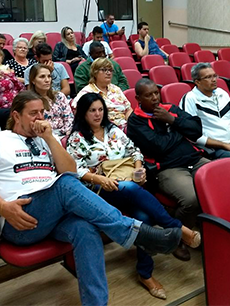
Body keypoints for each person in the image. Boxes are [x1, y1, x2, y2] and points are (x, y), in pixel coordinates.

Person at [0, 90, 181, 306]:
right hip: (21, 218)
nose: (39, 118)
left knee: (85, 229)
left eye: (42, 112)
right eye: (33, 113)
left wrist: (49, 138)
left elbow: (69, 170)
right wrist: (3, 208)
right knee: (66, 184)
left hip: (55, 216)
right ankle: (134, 233)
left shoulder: (46, 141)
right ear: (16, 115)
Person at [67, 93, 200, 300]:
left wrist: (139, 169)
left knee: (143, 218)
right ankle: (178, 228)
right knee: (129, 188)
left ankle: (145, 274)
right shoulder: (76, 138)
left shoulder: (113, 131)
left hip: (125, 183)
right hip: (98, 191)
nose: (97, 114)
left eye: (100, 109)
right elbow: (75, 170)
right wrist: (101, 180)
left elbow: (134, 151)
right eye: (92, 110)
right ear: (83, 113)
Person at [127, 78, 209, 261]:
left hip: (194, 159)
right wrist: (179, 129)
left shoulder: (170, 109)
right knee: (191, 199)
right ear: (138, 98)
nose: (155, 98)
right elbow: (159, 147)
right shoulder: (135, 122)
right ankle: (177, 238)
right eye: (149, 95)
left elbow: (196, 130)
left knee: (221, 182)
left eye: (156, 92)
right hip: (167, 168)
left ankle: (216, 230)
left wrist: (171, 120)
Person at [72, 58, 132, 130]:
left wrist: (130, 124)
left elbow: (128, 109)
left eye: (110, 70)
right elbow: (78, 114)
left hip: (125, 127)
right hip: (103, 130)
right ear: (95, 72)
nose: (108, 73)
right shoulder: (86, 92)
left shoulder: (116, 89)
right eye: (104, 70)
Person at [27, 64, 73, 137]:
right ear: (33, 80)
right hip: (42, 137)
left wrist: (65, 134)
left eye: (49, 76)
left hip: (65, 135)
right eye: (42, 77)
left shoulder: (59, 96)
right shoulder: (29, 101)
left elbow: (69, 119)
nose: (47, 80)